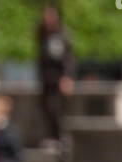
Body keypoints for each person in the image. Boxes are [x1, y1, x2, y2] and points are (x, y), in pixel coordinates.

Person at [37, 6, 74, 146]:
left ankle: (60, 137)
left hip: (58, 78)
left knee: (57, 109)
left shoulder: (62, 35)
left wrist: (67, 76)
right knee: (47, 107)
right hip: (47, 79)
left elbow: (67, 58)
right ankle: (52, 136)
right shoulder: (42, 35)